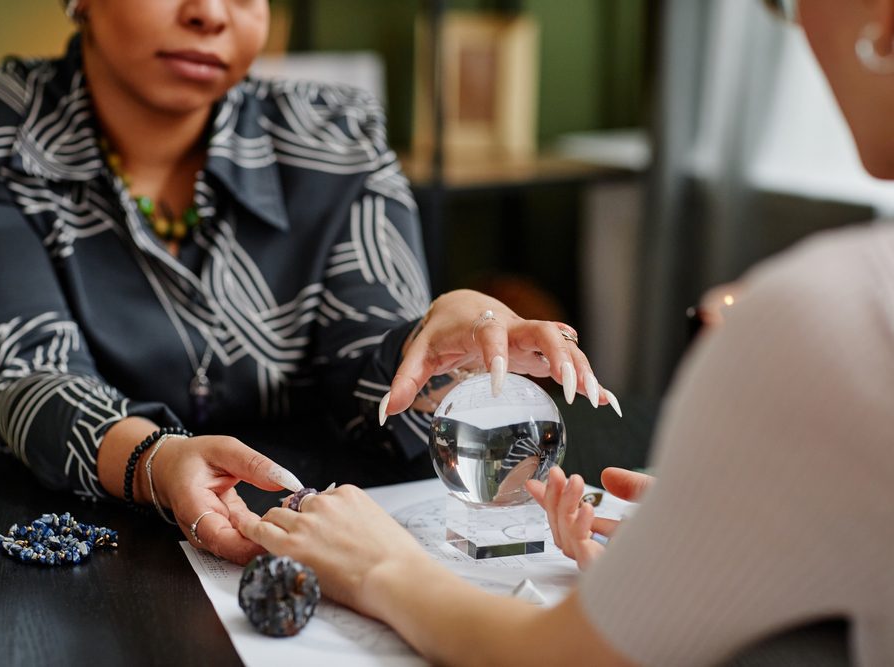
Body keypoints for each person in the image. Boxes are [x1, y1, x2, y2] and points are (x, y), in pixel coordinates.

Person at [237, 0, 894, 664]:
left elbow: (556, 655)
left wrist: (383, 565)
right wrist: (756, 528)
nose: (794, 20)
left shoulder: (836, 312)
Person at [0, 0, 617, 563]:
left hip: (260, 537)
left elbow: (365, 356)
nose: (211, 12)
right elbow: (22, 371)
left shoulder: (333, 134)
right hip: (7, 547)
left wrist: (438, 343)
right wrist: (156, 459)